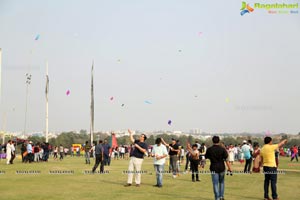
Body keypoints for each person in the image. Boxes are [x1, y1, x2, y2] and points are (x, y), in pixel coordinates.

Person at [206, 136, 232, 200]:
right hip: (221, 167)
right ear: (219, 141)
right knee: (222, 182)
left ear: (212, 141)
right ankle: (221, 196)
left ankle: (217, 197)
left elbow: (206, 157)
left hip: (213, 167)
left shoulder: (209, 149)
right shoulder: (222, 149)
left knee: (215, 183)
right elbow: (226, 159)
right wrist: (229, 168)